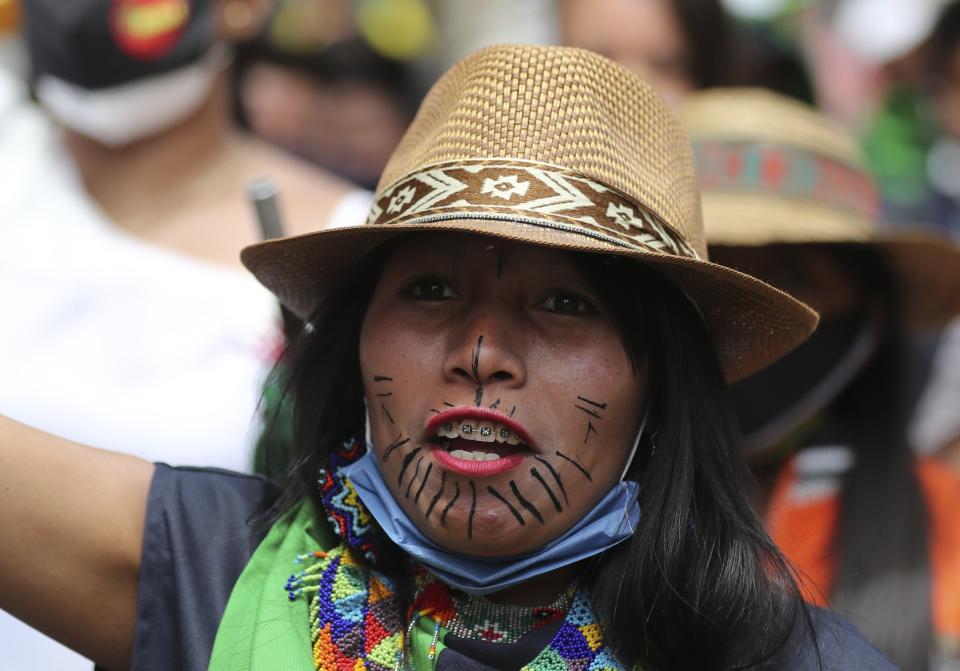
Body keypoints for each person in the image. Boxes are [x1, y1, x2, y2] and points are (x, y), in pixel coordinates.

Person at [0, 46, 897, 671]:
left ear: (659, 381)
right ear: (352, 342)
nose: (481, 353)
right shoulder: (201, 568)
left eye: (564, 304)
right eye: (429, 291)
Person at [681, 88, 960, 670]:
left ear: (870, 315)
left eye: (792, 281)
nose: (752, 324)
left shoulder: (947, 523)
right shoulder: (552, 524)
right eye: (713, 275)